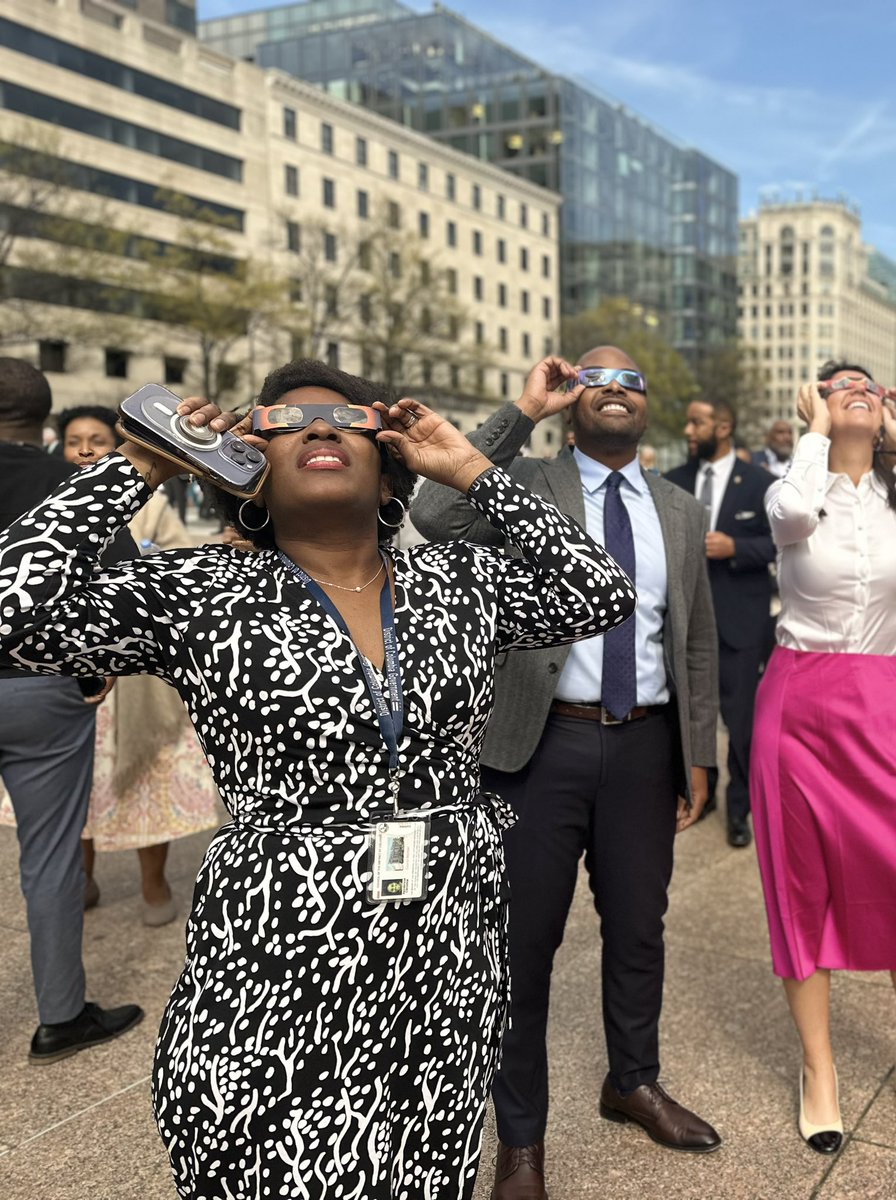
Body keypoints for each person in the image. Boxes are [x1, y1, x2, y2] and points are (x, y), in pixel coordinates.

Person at [0, 358, 634, 1198]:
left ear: (389, 474)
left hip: (442, 978)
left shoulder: (460, 581)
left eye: (347, 418)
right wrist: (148, 461)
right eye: (287, 420)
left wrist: (474, 470)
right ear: (248, 470)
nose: (321, 427)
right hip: (274, 980)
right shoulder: (199, 589)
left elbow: (599, 592)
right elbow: (13, 613)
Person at [412, 349, 721, 1200]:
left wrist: (699, 754)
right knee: (522, 948)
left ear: (648, 407)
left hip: (644, 749)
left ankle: (632, 1081)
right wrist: (521, 414)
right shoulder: (530, 482)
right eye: (594, 377)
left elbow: (691, 639)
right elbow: (435, 512)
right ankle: (519, 1144)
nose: (615, 388)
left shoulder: (680, 510)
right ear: (571, 396)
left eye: (632, 380)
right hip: (536, 749)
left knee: (637, 929)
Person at [751, 361, 896, 1153]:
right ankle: (820, 1071)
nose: (859, 389)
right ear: (814, 399)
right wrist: (812, 433)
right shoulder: (798, 484)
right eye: (840, 382)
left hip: (878, 700)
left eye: (870, 385)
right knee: (800, 889)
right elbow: (787, 514)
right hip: (797, 701)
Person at [2, 406, 218, 926]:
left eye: (97, 439)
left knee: (146, 778)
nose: (83, 450)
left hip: (136, 682)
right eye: (73, 440)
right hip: (68, 681)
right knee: (83, 797)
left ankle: (152, 880)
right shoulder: (47, 501)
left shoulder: (151, 504)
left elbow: (179, 558)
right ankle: (84, 876)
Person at [0, 358, 143, 1064]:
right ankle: (59, 1016)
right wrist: (93, 672)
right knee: (50, 857)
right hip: (40, 689)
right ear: (48, 421)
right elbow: (114, 586)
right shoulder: (74, 485)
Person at [666, 397, 776, 846]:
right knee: (692, 718)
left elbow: (782, 546)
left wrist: (737, 548)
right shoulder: (672, 483)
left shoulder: (762, 484)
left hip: (739, 625)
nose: (689, 431)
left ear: (725, 426)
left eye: (698, 422)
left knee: (743, 727)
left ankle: (738, 809)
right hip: (683, 624)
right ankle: (699, 794)